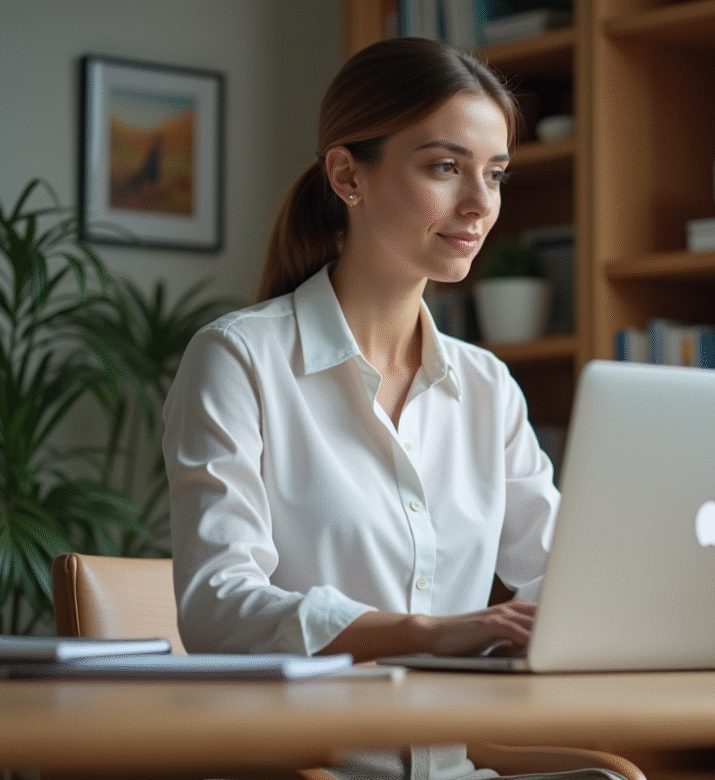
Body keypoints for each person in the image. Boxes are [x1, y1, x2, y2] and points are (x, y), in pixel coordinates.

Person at [163, 37, 615, 780]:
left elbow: (561, 578)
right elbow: (219, 606)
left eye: (494, 174)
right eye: (445, 167)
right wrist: (427, 633)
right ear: (348, 175)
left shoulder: (487, 386)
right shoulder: (239, 358)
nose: (480, 204)